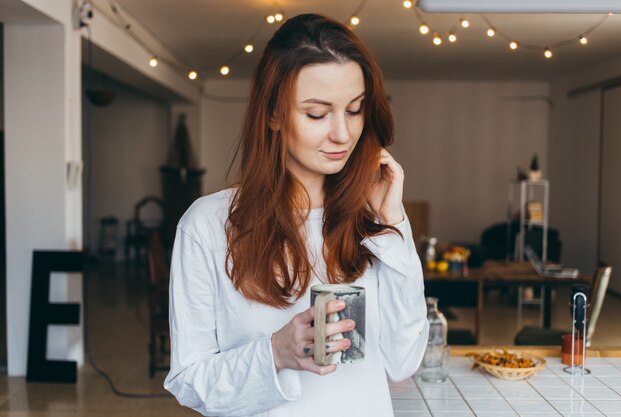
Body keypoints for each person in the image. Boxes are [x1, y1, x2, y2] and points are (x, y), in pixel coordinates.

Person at [164, 13, 428, 417]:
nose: (343, 134)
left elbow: (403, 361)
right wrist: (276, 354)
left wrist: (394, 225)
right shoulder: (208, 226)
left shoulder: (373, 223)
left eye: (355, 110)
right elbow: (189, 381)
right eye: (317, 114)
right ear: (272, 114)